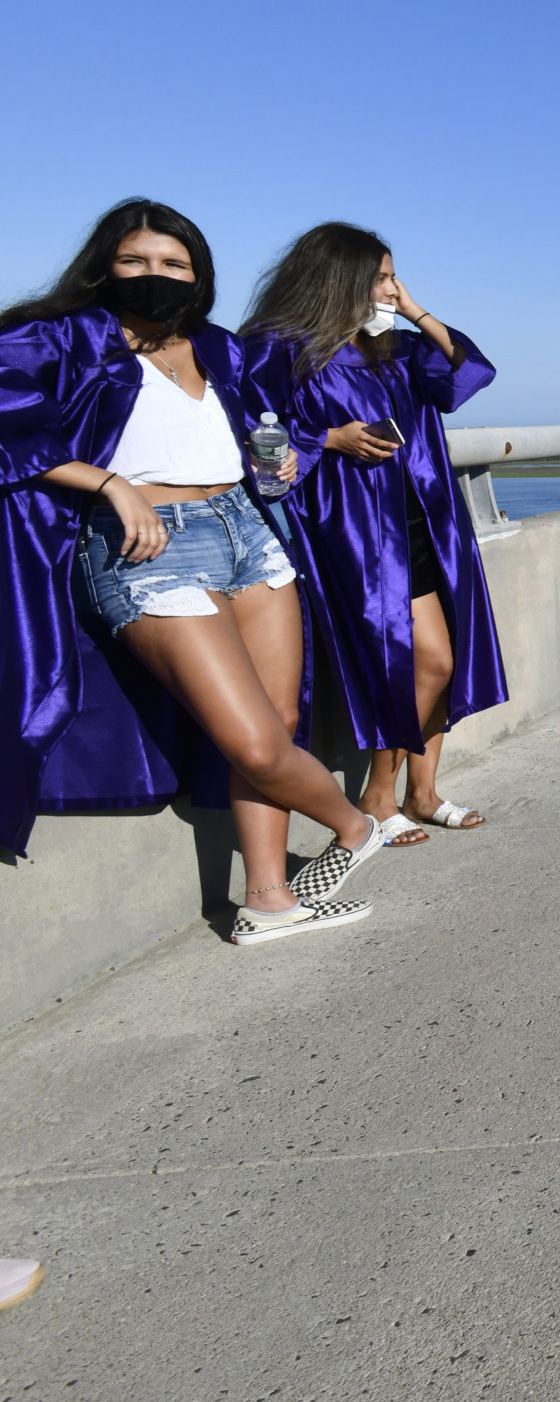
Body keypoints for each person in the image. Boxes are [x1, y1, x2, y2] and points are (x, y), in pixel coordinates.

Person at [0, 199, 389, 944]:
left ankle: (268, 899)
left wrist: (278, 460)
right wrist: (109, 483)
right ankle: (356, 825)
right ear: (103, 266)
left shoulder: (218, 346)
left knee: (278, 722)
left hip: (247, 530)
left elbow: (259, 436)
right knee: (252, 742)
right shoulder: (60, 337)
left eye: (173, 263)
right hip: (145, 545)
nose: (155, 275)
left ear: (199, 274)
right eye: (135, 261)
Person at [242, 223, 507, 845]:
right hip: (356, 527)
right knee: (426, 659)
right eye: (382, 278)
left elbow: (470, 373)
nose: (392, 289)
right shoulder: (277, 348)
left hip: (427, 517)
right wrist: (328, 438)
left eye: (393, 278)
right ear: (340, 280)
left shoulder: (391, 347)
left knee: (444, 658)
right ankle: (380, 795)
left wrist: (414, 310)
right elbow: (253, 437)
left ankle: (423, 790)